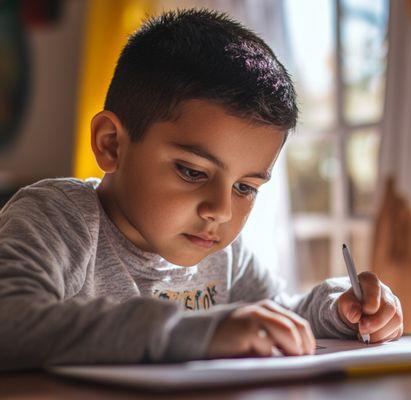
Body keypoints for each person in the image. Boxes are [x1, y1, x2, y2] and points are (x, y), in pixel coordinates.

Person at [0, 8, 403, 370]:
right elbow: (10, 321)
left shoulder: (222, 254)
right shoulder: (57, 219)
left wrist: (338, 309)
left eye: (245, 187)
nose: (221, 210)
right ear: (111, 144)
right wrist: (196, 333)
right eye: (193, 172)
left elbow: (277, 315)